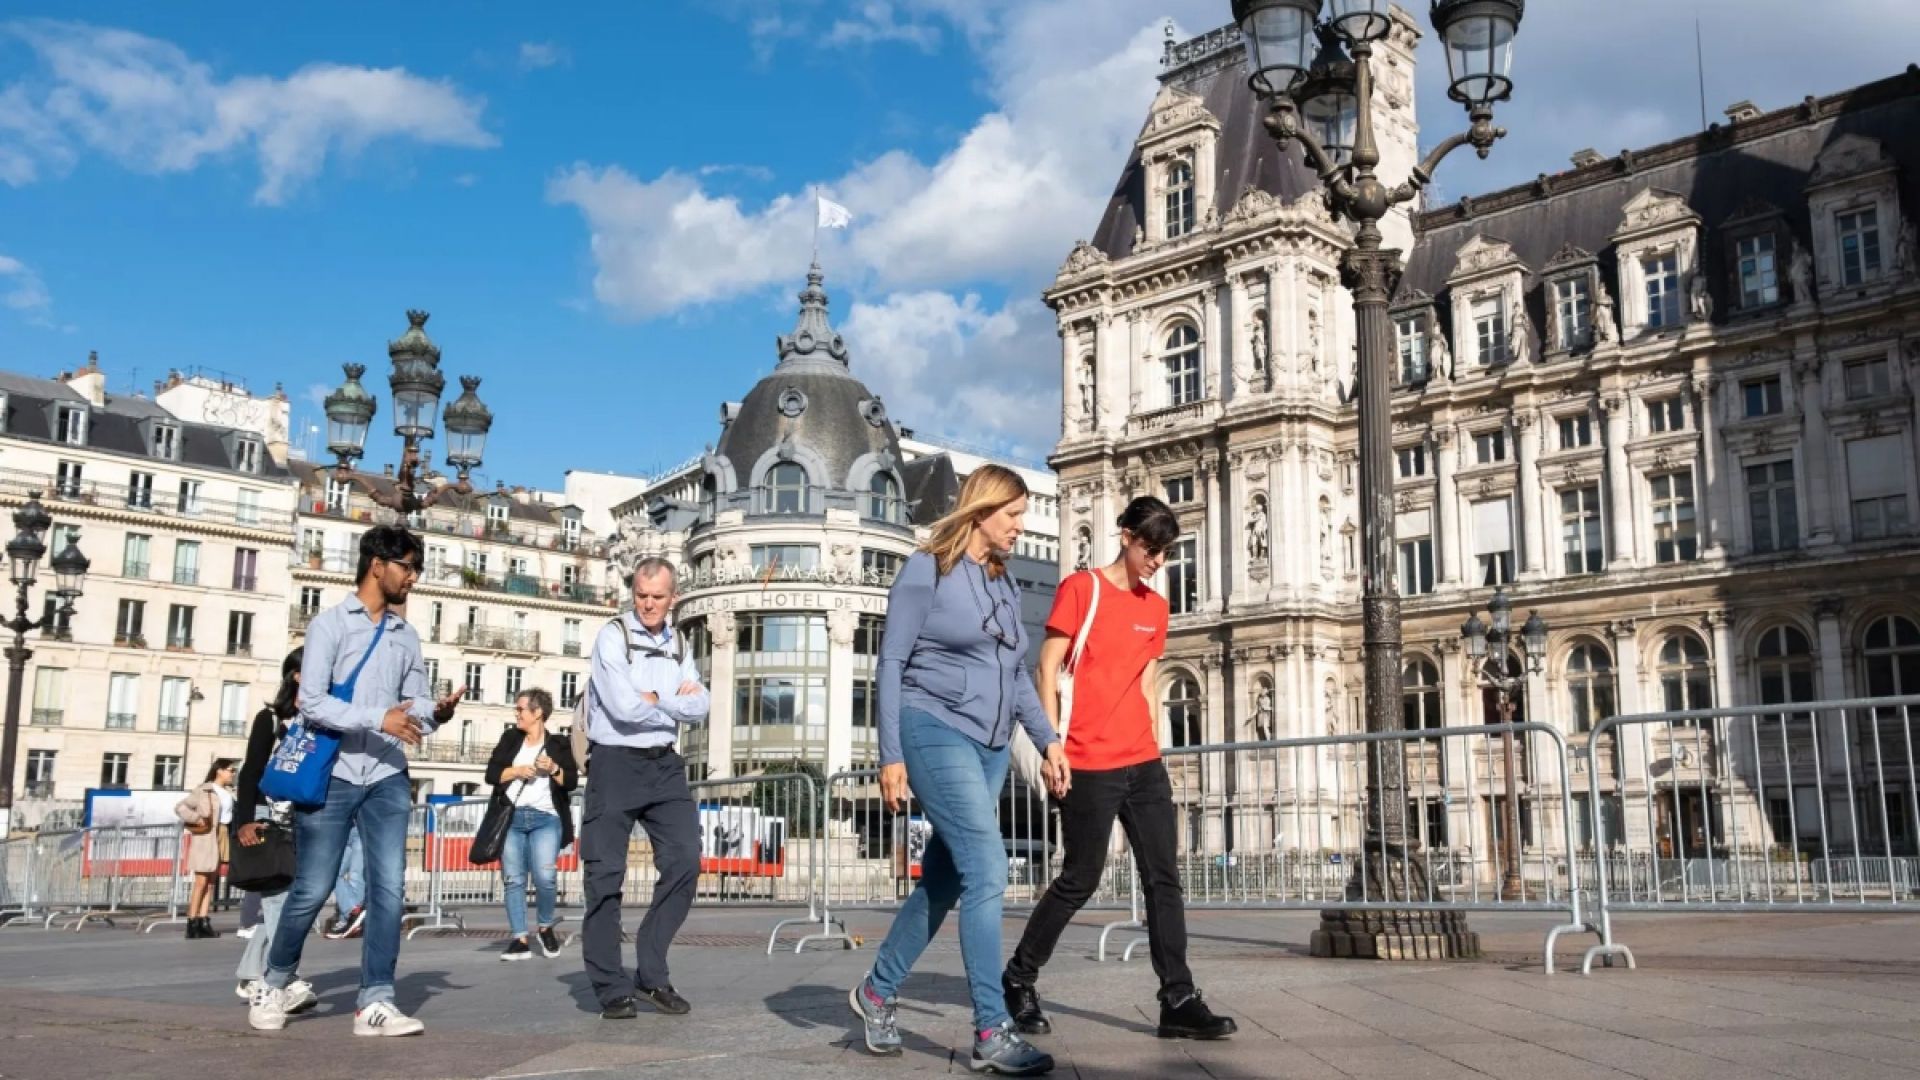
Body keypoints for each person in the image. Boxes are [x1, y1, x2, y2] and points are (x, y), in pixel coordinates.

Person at [849, 464, 1067, 1077]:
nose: (1020, 526)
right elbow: (891, 662)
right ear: (981, 511)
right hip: (933, 727)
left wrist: (1048, 741)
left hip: (990, 746)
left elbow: (1017, 675)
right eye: (1013, 515)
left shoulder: (1003, 582)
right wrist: (890, 754)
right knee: (989, 865)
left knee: (946, 880)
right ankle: (991, 1030)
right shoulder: (927, 570)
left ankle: (876, 991)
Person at [1001, 497, 1236, 1042]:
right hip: (1086, 760)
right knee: (1080, 878)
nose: (1158, 561)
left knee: (1164, 878)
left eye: (1166, 552)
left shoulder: (1155, 607)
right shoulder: (1080, 590)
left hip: (1142, 761)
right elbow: (1047, 668)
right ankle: (1018, 978)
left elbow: (1147, 682)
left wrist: (1153, 747)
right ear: (1126, 536)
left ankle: (1178, 998)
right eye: (1150, 549)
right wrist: (1052, 748)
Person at [250, 525, 461, 1036]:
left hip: (388, 773)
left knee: (388, 889)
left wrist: (436, 712)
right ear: (377, 565)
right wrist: (377, 717)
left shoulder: (405, 634)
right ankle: (273, 982)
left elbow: (413, 704)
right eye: (407, 566)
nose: (413, 577)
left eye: (416, 568)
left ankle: (375, 1001)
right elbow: (311, 702)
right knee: (313, 887)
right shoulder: (329, 626)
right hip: (335, 773)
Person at [580, 557, 710, 1019]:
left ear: (674, 598)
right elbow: (622, 707)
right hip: (614, 762)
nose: (648, 604)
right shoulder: (612, 636)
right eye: (641, 595)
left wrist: (656, 698)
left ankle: (650, 974)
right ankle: (610, 986)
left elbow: (702, 705)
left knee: (685, 860)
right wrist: (674, 701)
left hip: (665, 764)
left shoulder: (679, 642)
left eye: (657, 597)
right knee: (605, 876)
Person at [232, 648, 318, 1016]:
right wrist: (244, 821)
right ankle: (285, 978)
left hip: (306, 816)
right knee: (278, 897)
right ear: (297, 675)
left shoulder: (322, 719)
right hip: (269, 816)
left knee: (294, 898)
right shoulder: (270, 719)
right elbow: (250, 771)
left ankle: (252, 973)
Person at [485, 687, 579, 961]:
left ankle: (545, 927)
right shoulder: (510, 738)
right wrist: (516, 771)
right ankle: (519, 939)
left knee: (545, 877)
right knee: (513, 879)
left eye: (520, 709)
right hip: (512, 817)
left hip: (546, 819)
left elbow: (571, 781)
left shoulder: (559, 744)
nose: (516, 713)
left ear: (537, 713)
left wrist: (554, 769)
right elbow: (491, 774)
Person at [183, 759, 237, 938]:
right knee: (201, 881)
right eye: (231, 770)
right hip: (207, 836)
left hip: (223, 833)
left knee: (212, 881)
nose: (233, 773)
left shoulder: (230, 792)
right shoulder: (204, 789)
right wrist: (198, 819)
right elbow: (181, 807)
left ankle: (204, 920)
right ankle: (192, 922)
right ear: (219, 770)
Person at [322, 827, 365, 940]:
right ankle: (352, 914)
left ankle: (347, 919)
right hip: (342, 830)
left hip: (361, 828)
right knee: (332, 872)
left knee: (356, 876)